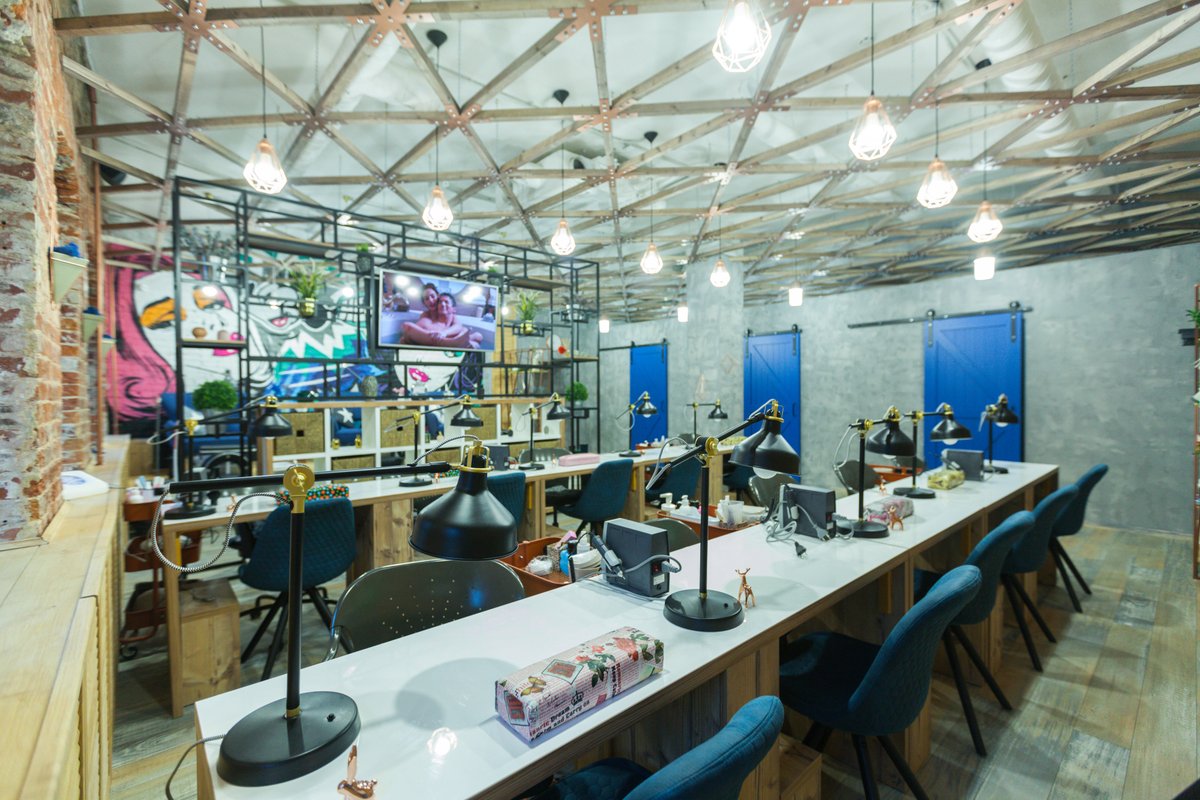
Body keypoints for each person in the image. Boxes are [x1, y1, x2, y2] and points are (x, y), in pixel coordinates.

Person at [401, 292, 483, 349]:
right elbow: (407, 331)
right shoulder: (428, 321)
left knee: (476, 338)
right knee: (407, 326)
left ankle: (453, 343)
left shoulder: (456, 325)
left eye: (446, 302)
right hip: (432, 346)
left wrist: (444, 333)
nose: (442, 304)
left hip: (449, 347)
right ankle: (451, 343)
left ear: (453, 309)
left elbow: (459, 327)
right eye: (440, 302)